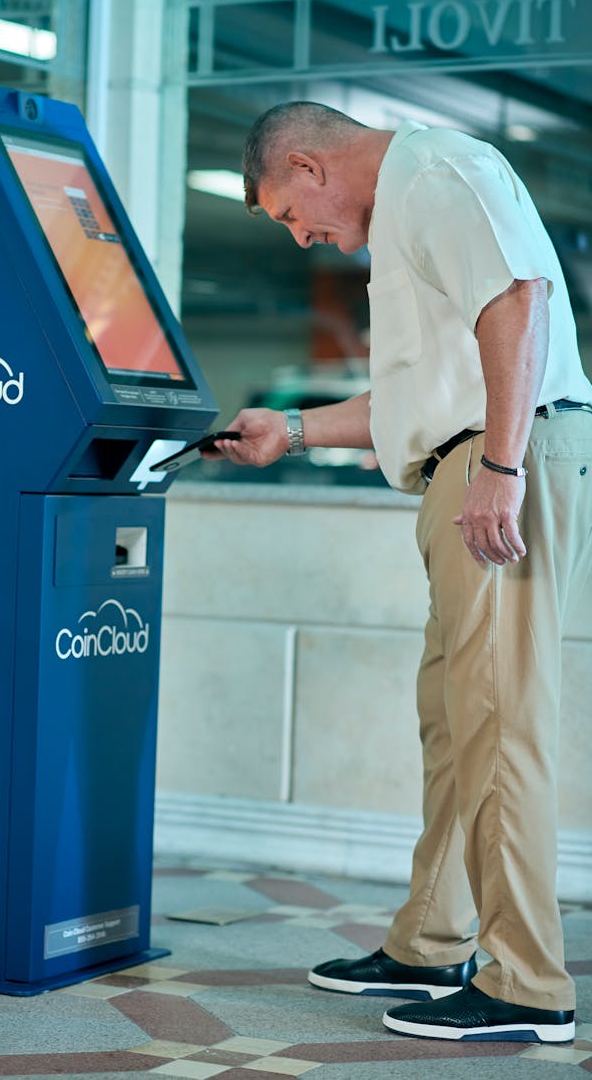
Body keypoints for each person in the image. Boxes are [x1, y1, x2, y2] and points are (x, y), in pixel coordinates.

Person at [209, 102, 592, 1044]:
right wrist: (289, 430)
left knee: (499, 720)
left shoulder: (438, 174)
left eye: (292, 215)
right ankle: (433, 941)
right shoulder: (410, 211)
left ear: (308, 164)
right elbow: (421, 393)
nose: (305, 238)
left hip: (501, 458)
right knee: (457, 719)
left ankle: (528, 984)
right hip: (469, 457)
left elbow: (519, 301)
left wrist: (499, 467)